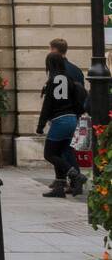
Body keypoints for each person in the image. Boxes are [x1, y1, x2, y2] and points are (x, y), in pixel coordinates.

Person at [37, 49, 88, 197]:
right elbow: (77, 100)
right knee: (62, 152)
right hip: (72, 119)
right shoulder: (69, 78)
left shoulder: (52, 81)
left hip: (59, 120)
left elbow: (47, 105)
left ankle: (75, 176)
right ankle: (59, 187)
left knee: (49, 154)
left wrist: (40, 125)